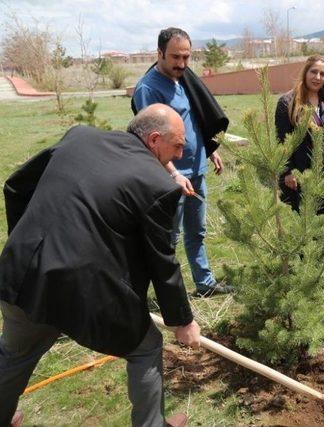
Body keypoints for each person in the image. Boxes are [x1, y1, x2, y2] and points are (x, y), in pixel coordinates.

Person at [0, 104, 201, 427]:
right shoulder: (158, 185)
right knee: (146, 346)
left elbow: (15, 186)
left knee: (13, 356)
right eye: (177, 145)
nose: (178, 155)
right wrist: (182, 321)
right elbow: (161, 262)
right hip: (82, 292)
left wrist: (26, 247)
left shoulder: (80, 137)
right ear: (153, 140)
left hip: (21, 272)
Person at [133, 27, 230, 297]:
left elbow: (194, 117)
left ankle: (205, 283)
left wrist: (209, 149)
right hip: (169, 177)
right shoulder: (149, 89)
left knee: (196, 231)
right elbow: (149, 139)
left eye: (187, 57)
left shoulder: (183, 79)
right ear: (159, 53)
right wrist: (173, 173)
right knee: (167, 239)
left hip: (196, 170)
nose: (182, 64)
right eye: (175, 57)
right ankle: (163, 293)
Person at [275, 55, 324, 211]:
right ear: (305, 72)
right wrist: (288, 172)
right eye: (313, 72)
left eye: (322, 74)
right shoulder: (288, 102)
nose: (318, 77)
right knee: (301, 222)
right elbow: (282, 140)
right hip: (299, 174)